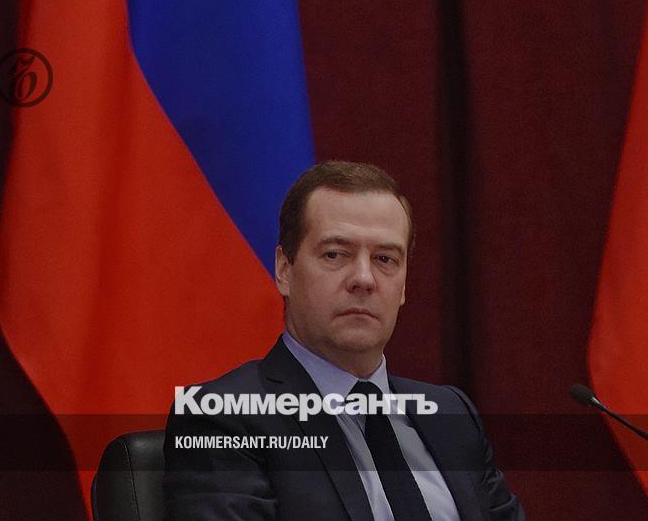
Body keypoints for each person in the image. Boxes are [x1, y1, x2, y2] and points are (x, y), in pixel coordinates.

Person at [164, 161, 526, 520]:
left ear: (403, 286)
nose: (364, 279)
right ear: (285, 270)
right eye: (335, 255)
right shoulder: (223, 417)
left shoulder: (451, 415)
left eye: (385, 259)